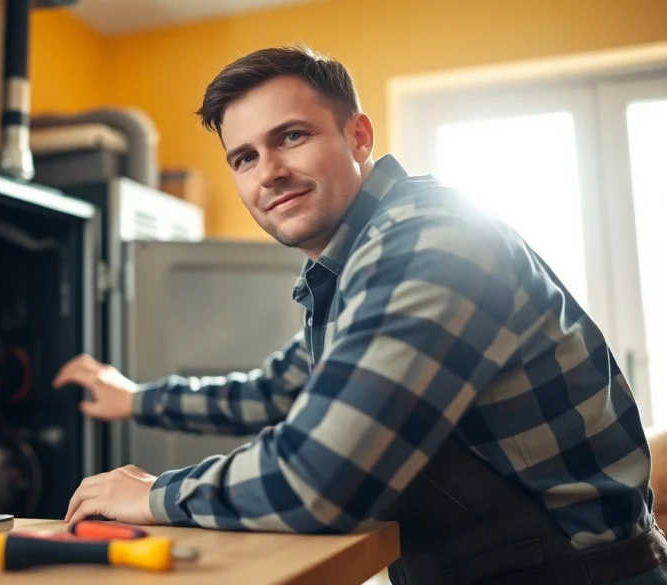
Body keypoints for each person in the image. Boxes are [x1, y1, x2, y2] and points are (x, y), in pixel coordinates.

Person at [53, 44, 667, 584]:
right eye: (244, 157)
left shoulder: (428, 241)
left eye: (290, 136)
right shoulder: (357, 266)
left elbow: (323, 478)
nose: (269, 172)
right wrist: (133, 398)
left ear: (359, 137)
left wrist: (155, 494)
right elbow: (272, 391)